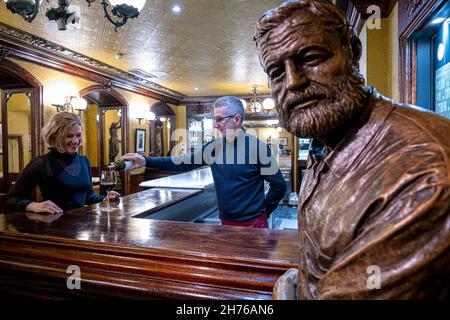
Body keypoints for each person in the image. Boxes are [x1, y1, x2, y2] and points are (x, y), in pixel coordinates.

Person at [254, 0, 450, 299]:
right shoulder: (328, 138)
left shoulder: (425, 171)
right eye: (277, 72)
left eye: (310, 57)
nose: (293, 82)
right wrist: (302, 278)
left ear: (352, 52)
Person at [120, 96, 286, 228]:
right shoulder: (213, 148)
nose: (215, 124)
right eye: (214, 119)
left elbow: (279, 186)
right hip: (226, 222)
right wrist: (145, 161)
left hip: (253, 224)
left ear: (236, 119)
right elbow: (181, 162)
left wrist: (264, 212)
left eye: (219, 119)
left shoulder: (258, 148)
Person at [4, 112, 120, 214]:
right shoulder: (41, 163)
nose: (75, 141)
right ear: (55, 137)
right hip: (55, 228)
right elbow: (10, 200)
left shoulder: (84, 160)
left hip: (82, 228)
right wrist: (34, 205)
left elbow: (89, 196)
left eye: (78, 135)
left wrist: (105, 199)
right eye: (69, 136)